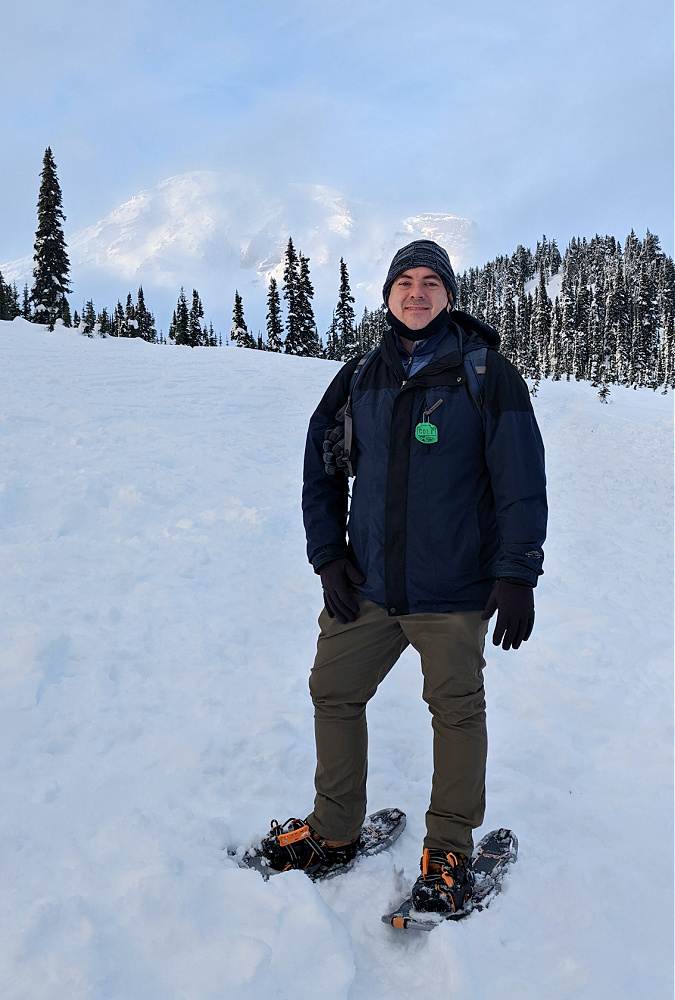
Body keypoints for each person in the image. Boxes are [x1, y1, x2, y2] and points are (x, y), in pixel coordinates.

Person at [262, 240, 547, 913]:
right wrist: (328, 556)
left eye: (430, 283)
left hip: (451, 590)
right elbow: (322, 471)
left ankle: (448, 849)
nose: (416, 293)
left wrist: (517, 574)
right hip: (364, 586)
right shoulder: (359, 375)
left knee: (453, 712)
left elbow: (521, 483)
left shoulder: (486, 374)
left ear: (449, 295)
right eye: (404, 282)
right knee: (332, 692)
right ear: (387, 293)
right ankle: (331, 831)